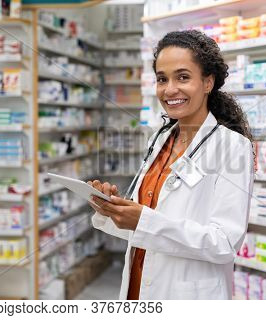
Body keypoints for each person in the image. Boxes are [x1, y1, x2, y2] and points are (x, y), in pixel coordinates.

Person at [88, 30, 254, 300]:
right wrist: (113, 209)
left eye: (183, 77)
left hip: (188, 295)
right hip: (138, 287)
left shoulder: (233, 147)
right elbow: (146, 219)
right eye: (162, 79)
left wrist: (144, 221)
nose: (170, 89)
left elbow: (223, 243)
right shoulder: (160, 138)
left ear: (208, 82)